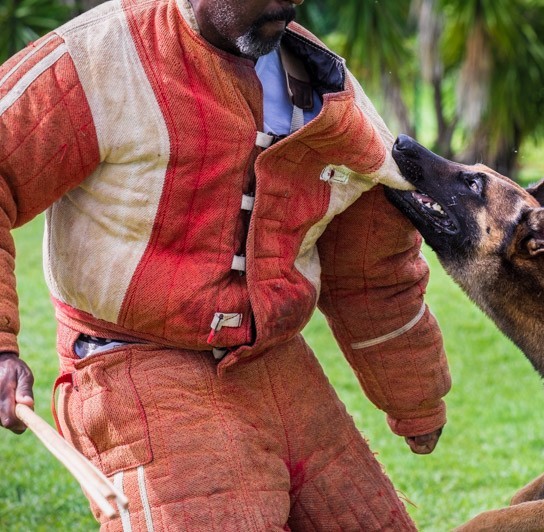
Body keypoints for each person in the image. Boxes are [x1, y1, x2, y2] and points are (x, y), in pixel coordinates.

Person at [0, 0, 452, 530]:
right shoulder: (98, 56)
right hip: (137, 363)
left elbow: (368, 266)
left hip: (277, 362)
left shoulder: (325, 87)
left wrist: (415, 394)